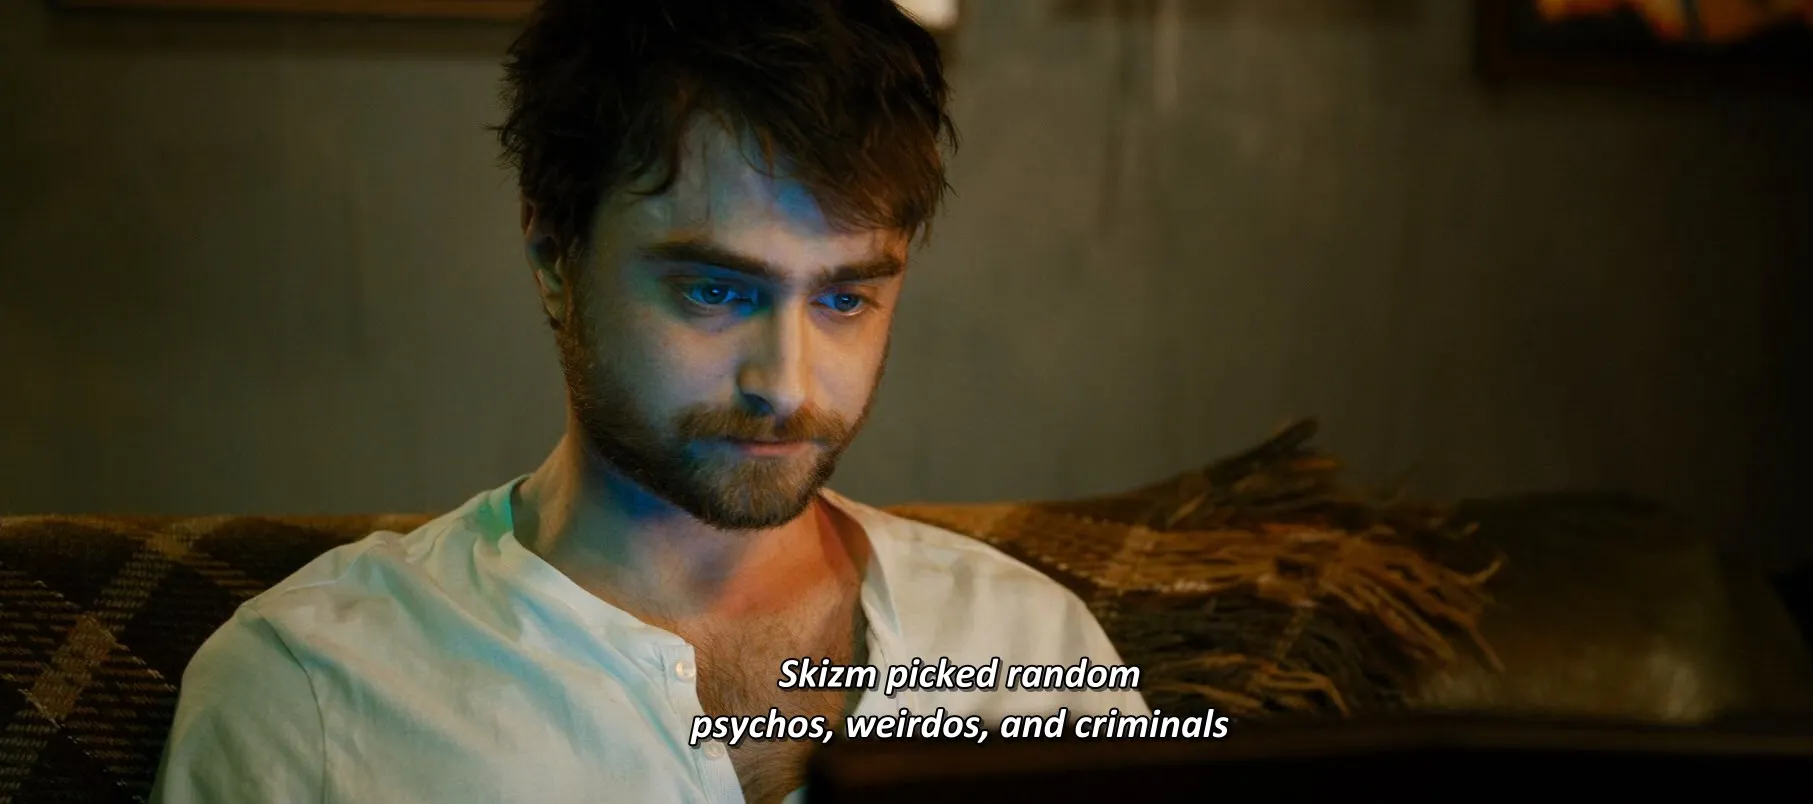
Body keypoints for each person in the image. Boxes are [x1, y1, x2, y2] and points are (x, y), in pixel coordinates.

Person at [149, 1, 1145, 802]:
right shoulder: (315, 691)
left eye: (844, 299)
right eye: (714, 290)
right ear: (554, 256)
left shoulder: (1026, 648)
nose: (787, 385)